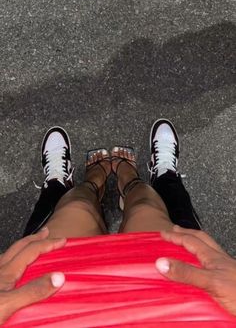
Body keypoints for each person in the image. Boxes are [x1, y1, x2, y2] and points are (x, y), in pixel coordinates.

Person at [1, 120, 236, 327]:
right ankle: (139, 177)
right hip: (181, 306)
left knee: (75, 209)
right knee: (146, 207)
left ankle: (80, 182)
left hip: (48, 309)